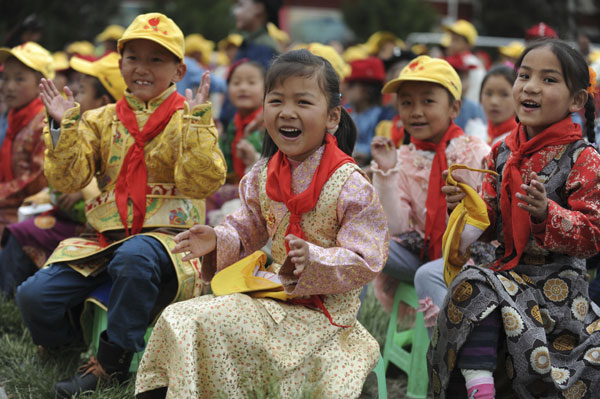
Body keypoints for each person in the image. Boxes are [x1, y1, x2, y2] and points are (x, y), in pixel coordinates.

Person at [135, 49, 389, 399]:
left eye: (302, 101)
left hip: (324, 318)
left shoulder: (351, 184)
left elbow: (367, 258)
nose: (287, 112)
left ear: (332, 117)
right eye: (276, 100)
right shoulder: (263, 173)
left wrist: (314, 259)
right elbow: (246, 226)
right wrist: (216, 237)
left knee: (204, 321)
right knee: (181, 317)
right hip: (273, 299)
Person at [15, 13, 226, 398]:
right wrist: (62, 129)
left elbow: (205, 182)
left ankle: (112, 363)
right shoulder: (99, 120)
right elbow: (68, 180)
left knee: (136, 255)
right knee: (34, 295)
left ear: (179, 69)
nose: (142, 69)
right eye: (133, 58)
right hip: (105, 240)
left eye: (156, 60)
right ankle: (65, 345)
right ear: (120, 63)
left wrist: (197, 129)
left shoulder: (189, 119)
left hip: (169, 242)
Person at [429, 39, 600, 398]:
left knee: (479, 284)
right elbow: (490, 223)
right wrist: (467, 205)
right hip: (509, 273)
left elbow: (593, 236)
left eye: (549, 80)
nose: (531, 86)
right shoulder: (503, 151)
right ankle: (480, 389)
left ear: (577, 101)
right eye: (524, 75)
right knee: (473, 284)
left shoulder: (584, 158)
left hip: (559, 285)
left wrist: (546, 213)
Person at [369, 56, 489, 326]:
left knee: (427, 274)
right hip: (425, 251)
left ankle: (447, 350)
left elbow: (489, 218)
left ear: (454, 108)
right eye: (407, 103)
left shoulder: (473, 151)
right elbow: (396, 227)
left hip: (472, 255)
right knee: (367, 244)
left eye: (428, 101)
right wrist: (387, 171)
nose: (415, 111)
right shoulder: (404, 156)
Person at [0, 52, 125, 298]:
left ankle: (8, 299)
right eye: (6, 79)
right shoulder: (19, 119)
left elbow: (40, 176)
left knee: (23, 230)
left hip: (99, 223)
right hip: (63, 209)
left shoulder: (110, 130)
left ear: (103, 101)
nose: (8, 87)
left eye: (80, 92)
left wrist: (82, 190)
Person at [0, 42, 52, 238]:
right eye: (5, 78)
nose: (9, 87)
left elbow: (37, 181)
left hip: (29, 212)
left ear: (42, 83)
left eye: (20, 79)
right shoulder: (13, 117)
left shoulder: (45, 122)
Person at [206, 59, 265, 220]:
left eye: (251, 82)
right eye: (236, 82)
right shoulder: (234, 122)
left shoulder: (268, 123)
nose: (243, 88)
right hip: (238, 184)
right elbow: (226, 165)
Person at [343, 56, 392, 166]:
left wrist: (366, 154)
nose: (345, 89)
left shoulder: (383, 117)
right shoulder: (347, 112)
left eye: (351, 85)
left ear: (367, 90)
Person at [480, 65, 517, 145]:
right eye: (488, 94)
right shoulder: (475, 132)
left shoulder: (518, 140)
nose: (494, 102)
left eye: (504, 95)